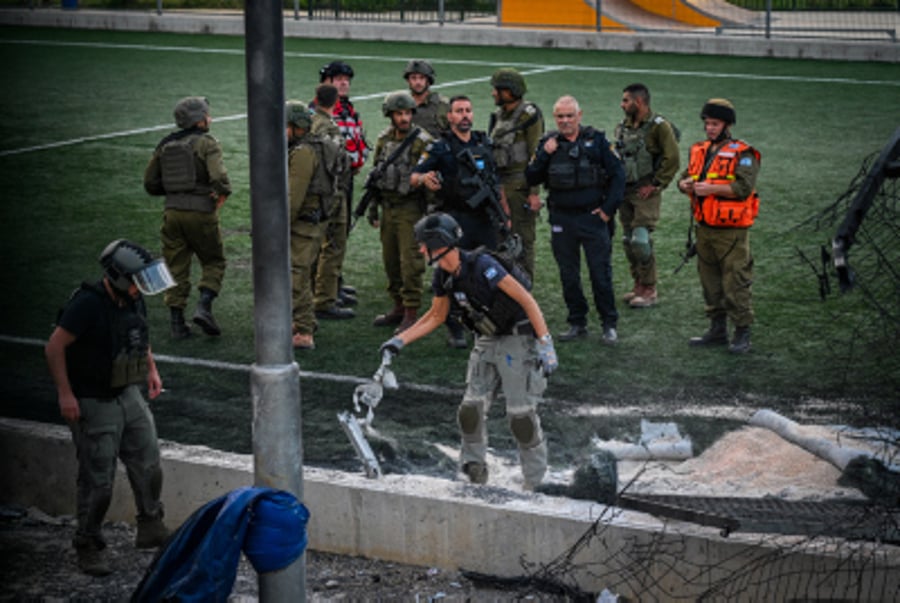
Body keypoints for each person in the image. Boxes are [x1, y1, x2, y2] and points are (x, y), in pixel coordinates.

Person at [380, 213, 558, 491]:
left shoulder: (484, 266)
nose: (420, 249)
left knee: (520, 417)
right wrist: (400, 341)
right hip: (486, 341)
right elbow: (436, 315)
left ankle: (535, 481)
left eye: (423, 244)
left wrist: (545, 343)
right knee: (470, 411)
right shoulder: (444, 275)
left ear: (438, 243)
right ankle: (475, 471)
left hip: (517, 341)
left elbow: (526, 298)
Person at [45, 240, 174, 576]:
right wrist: (66, 395)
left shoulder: (133, 299)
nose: (141, 288)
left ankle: (151, 526)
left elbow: (139, 337)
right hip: (93, 399)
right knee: (97, 480)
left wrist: (152, 370)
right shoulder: (87, 304)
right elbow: (54, 347)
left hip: (127, 392)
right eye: (136, 281)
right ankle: (87, 543)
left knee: (148, 461)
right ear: (118, 277)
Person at [411, 95, 510, 348]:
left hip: (484, 219)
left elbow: (496, 181)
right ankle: (454, 326)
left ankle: (486, 324)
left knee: (489, 271)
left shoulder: (484, 142)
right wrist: (423, 180)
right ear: (450, 116)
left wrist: (504, 214)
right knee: (452, 275)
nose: (465, 115)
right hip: (455, 220)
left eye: (468, 110)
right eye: (459, 111)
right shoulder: (440, 147)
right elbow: (414, 175)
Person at [526, 95, 626, 344]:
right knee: (568, 274)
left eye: (570, 116)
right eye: (560, 116)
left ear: (579, 116)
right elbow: (531, 177)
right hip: (562, 219)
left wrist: (607, 210)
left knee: (599, 274)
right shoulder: (547, 143)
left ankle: (609, 324)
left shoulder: (598, 140)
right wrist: (544, 156)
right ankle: (577, 322)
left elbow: (618, 176)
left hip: (592, 218)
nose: (565, 121)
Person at [143, 96, 232, 339]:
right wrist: (222, 193)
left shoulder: (165, 145)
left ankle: (177, 324)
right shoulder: (206, 143)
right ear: (200, 120)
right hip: (201, 212)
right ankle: (204, 307)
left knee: (175, 267)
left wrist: (174, 193)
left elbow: (150, 183)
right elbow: (219, 177)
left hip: (172, 214)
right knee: (214, 261)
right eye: (207, 114)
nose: (210, 118)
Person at [677, 98, 760, 354]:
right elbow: (684, 177)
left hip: (731, 232)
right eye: (707, 123)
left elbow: (744, 188)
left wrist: (710, 188)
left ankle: (742, 331)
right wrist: (685, 185)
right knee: (710, 283)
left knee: (735, 281)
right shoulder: (699, 149)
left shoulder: (743, 153)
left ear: (727, 125)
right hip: (705, 228)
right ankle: (717, 330)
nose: (709, 128)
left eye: (714, 123)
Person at [368, 91, 434, 334]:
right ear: (390, 115)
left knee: (411, 263)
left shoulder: (422, 141)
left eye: (407, 113)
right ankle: (398, 305)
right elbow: (376, 174)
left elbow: (431, 180)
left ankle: (411, 311)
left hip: (411, 209)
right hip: (389, 207)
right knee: (391, 261)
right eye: (399, 113)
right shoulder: (384, 140)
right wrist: (373, 207)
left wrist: (429, 217)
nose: (404, 118)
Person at [285, 101, 347, 349]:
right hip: (315, 221)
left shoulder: (302, 153)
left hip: (304, 224)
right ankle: (302, 319)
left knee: (296, 276)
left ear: (295, 126)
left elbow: (293, 198)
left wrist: (276, 228)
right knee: (301, 274)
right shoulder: (316, 146)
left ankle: (304, 330)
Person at [614, 83, 681, 308]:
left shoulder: (659, 127)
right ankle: (638, 285)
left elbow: (672, 158)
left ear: (639, 102)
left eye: (626, 100)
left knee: (640, 240)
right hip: (625, 190)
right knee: (627, 241)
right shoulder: (624, 126)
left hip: (645, 191)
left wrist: (656, 184)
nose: (622, 105)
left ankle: (650, 288)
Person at [316, 61, 368, 309]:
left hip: (346, 181)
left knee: (339, 236)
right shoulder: (321, 112)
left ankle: (333, 283)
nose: (344, 82)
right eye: (337, 78)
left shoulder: (348, 109)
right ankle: (324, 292)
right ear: (326, 82)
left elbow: (358, 140)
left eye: (346, 78)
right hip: (330, 185)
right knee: (329, 239)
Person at [489, 67, 545, 279]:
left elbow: (535, 155)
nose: (493, 93)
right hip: (500, 186)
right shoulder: (498, 116)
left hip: (520, 185)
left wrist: (533, 192)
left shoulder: (529, 115)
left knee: (522, 241)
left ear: (509, 91)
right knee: (500, 239)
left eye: (497, 89)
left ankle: (524, 286)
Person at [309, 82, 356, 319]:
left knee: (315, 246)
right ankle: (325, 300)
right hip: (332, 194)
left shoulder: (310, 123)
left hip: (313, 194)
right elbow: (337, 163)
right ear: (336, 102)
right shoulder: (330, 128)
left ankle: (315, 293)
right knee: (334, 247)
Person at [403, 59, 449, 137]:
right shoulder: (403, 103)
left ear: (428, 80)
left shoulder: (442, 104)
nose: (418, 82)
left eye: (422, 78)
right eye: (413, 78)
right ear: (408, 80)